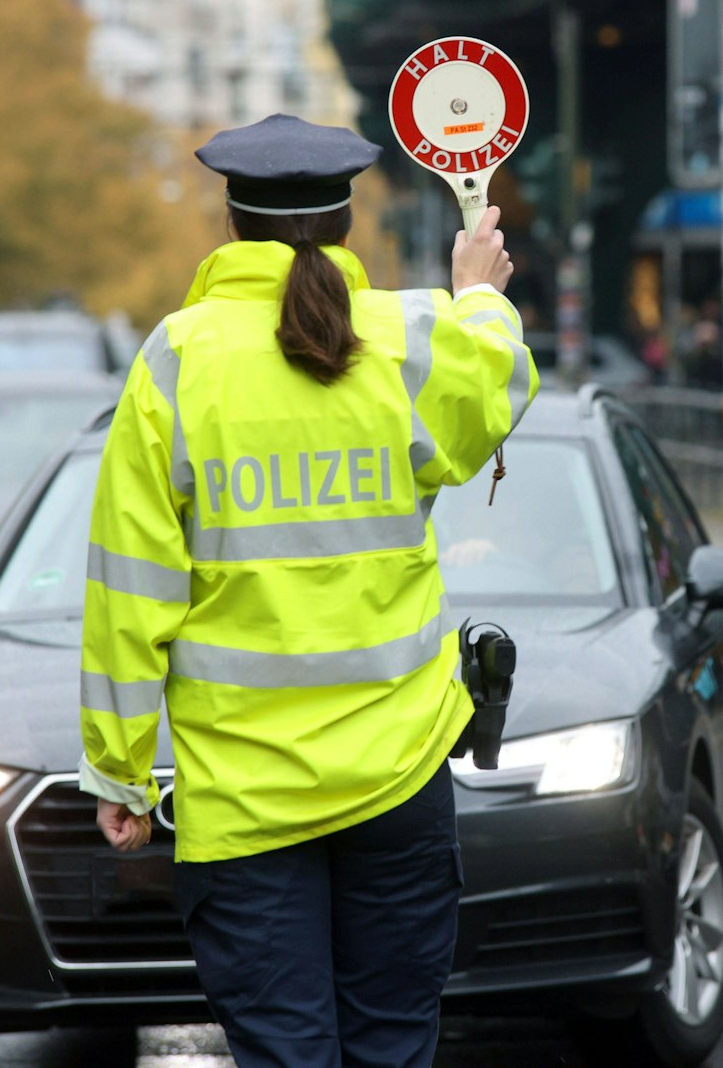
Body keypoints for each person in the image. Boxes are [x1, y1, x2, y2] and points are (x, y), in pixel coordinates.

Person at [79, 114, 538, 1068]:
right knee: (393, 1047)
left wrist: (119, 768)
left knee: (288, 1054)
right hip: (401, 775)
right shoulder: (412, 335)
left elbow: (131, 588)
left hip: (244, 799)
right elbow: (497, 387)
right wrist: (478, 297)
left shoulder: (176, 358)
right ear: (346, 220)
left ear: (232, 222)